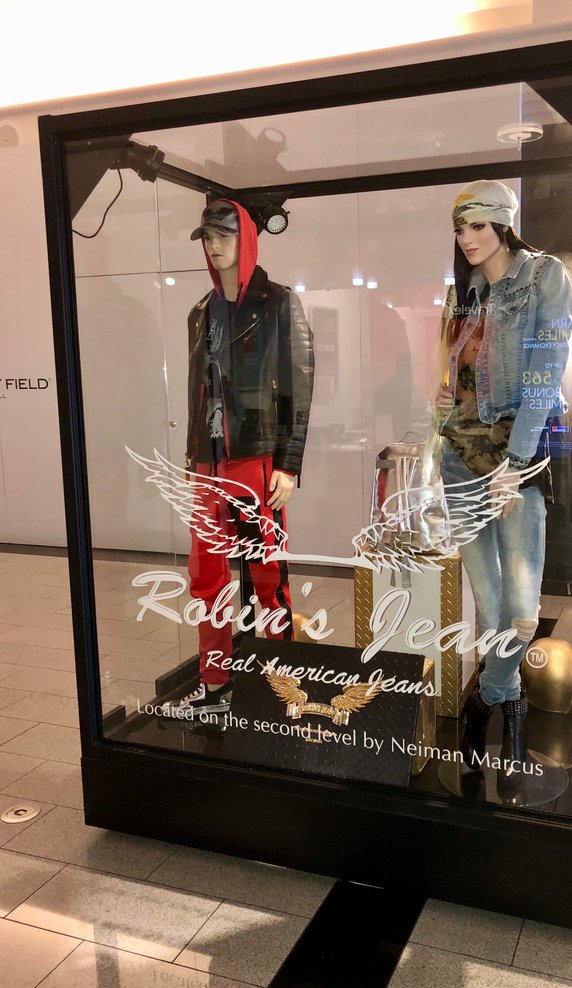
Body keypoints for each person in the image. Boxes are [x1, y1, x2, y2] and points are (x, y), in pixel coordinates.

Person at [435, 180, 572, 780]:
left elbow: (545, 375)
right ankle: (506, 706)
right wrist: (436, 429)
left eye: (478, 226)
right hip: (458, 460)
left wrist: (514, 466)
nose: (467, 239)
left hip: (516, 465)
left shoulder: (545, 278)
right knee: (488, 603)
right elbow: (453, 384)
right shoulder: (461, 291)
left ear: (503, 224)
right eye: (460, 229)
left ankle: (490, 698)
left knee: (521, 608)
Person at [165, 198, 314, 718]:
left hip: (255, 459)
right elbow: (197, 391)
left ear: (246, 238)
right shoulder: (200, 312)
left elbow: (298, 385)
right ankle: (215, 683)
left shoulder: (279, 302)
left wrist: (289, 463)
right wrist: (193, 459)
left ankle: (282, 680)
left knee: (268, 573)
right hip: (208, 464)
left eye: (223, 236)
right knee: (206, 576)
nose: (214, 246)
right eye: (208, 237)